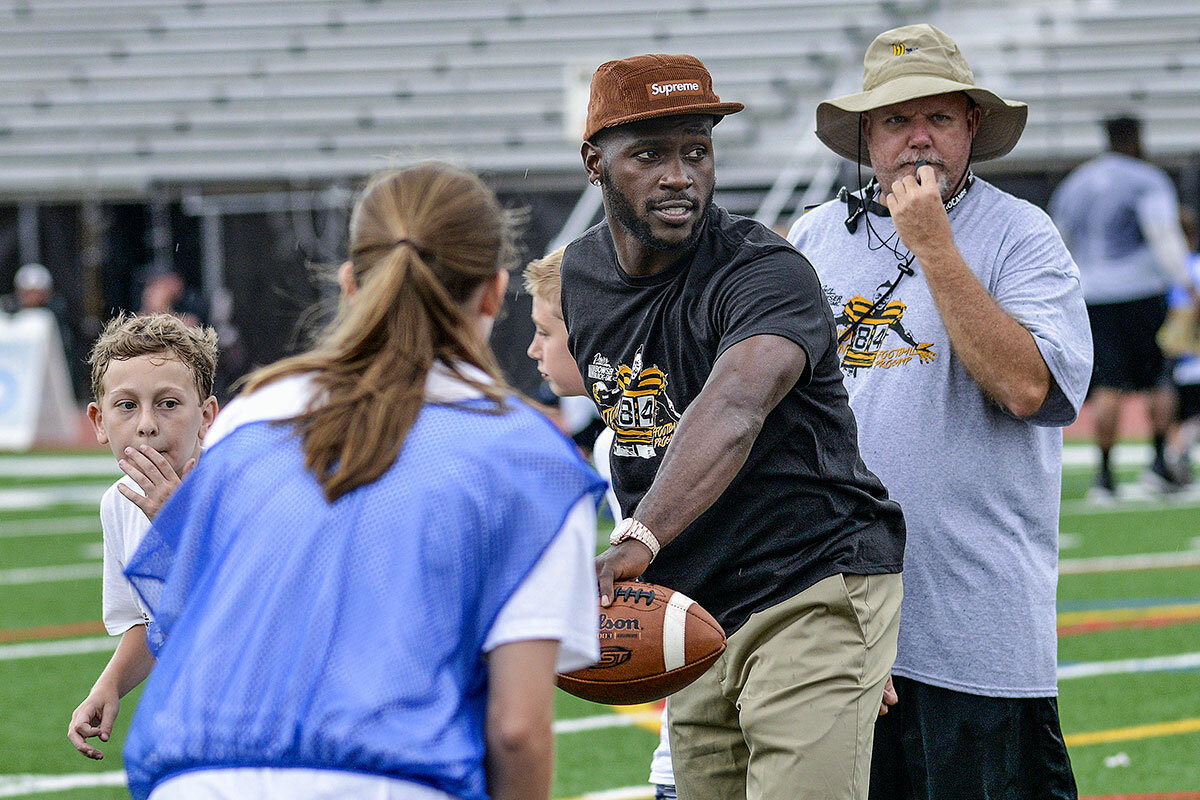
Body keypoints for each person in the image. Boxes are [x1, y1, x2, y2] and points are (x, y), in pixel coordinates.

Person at [119, 163, 606, 800]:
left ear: (350, 283)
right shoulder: (528, 455)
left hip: (193, 775)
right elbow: (517, 730)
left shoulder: (250, 413)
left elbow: (194, 618)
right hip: (387, 778)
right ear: (494, 292)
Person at [562, 53, 907, 800]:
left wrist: (638, 538)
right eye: (649, 155)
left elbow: (736, 406)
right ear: (595, 163)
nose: (679, 175)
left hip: (807, 578)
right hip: (696, 601)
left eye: (697, 151)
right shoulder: (579, 278)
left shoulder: (765, 270)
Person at [788, 23, 1092, 799]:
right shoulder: (814, 236)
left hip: (976, 636)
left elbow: (1028, 389)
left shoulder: (1022, 234)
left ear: (972, 127)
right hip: (844, 631)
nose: (918, 137)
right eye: (896, 119)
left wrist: (934, 247)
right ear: (867, 134)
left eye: (939, 117)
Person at [67, 313, 220, 760]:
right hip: (196, 707)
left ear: (206, 415)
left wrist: (178, 522)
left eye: (168, 403)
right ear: (98, 421)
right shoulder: (117, 504)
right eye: (126, 405)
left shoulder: (234, 487)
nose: (147, 424)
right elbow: (150, 621)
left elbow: (244, 608)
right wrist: (109, 684)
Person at [1050, 113, 1200, 498]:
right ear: (1135, 139)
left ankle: (1104, 475)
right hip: (1143, 290)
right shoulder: (1146, 179)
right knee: (1159, 380)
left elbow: (1059, 242)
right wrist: (1186, 283)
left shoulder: (1076, 183)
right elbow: (1162, 234)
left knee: (1106, 385)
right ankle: (1158, 463)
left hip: (1092, 295)